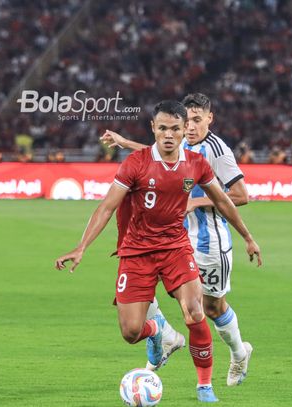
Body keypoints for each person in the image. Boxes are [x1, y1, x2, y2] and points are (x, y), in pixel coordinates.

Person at [56, 100, 262, 402]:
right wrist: (81, 247)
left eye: (175, 129)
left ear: (183, 131)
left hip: (176, 248)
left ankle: (205, 386)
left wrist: (248, 236)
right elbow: (107, 206)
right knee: (130, 332)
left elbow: (224, 201)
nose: (169, 134)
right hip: (137, 251)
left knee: (195, 310)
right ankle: (158, 332)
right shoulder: (135, 164)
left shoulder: (196, 163)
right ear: (153, 128)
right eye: (162, 128)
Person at [101, 93, 255, 387]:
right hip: (176, 238)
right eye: (190, 121)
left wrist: (196, 202)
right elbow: (156, 154)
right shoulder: (182, 144)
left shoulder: (217, 152)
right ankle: (164, 335)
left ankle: (238, 353)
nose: (193, 127)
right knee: (142, 292)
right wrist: (126, 144)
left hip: (210, 241)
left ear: (210, 119)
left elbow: (241, 196)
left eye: (198, 120)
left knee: (212, 308)